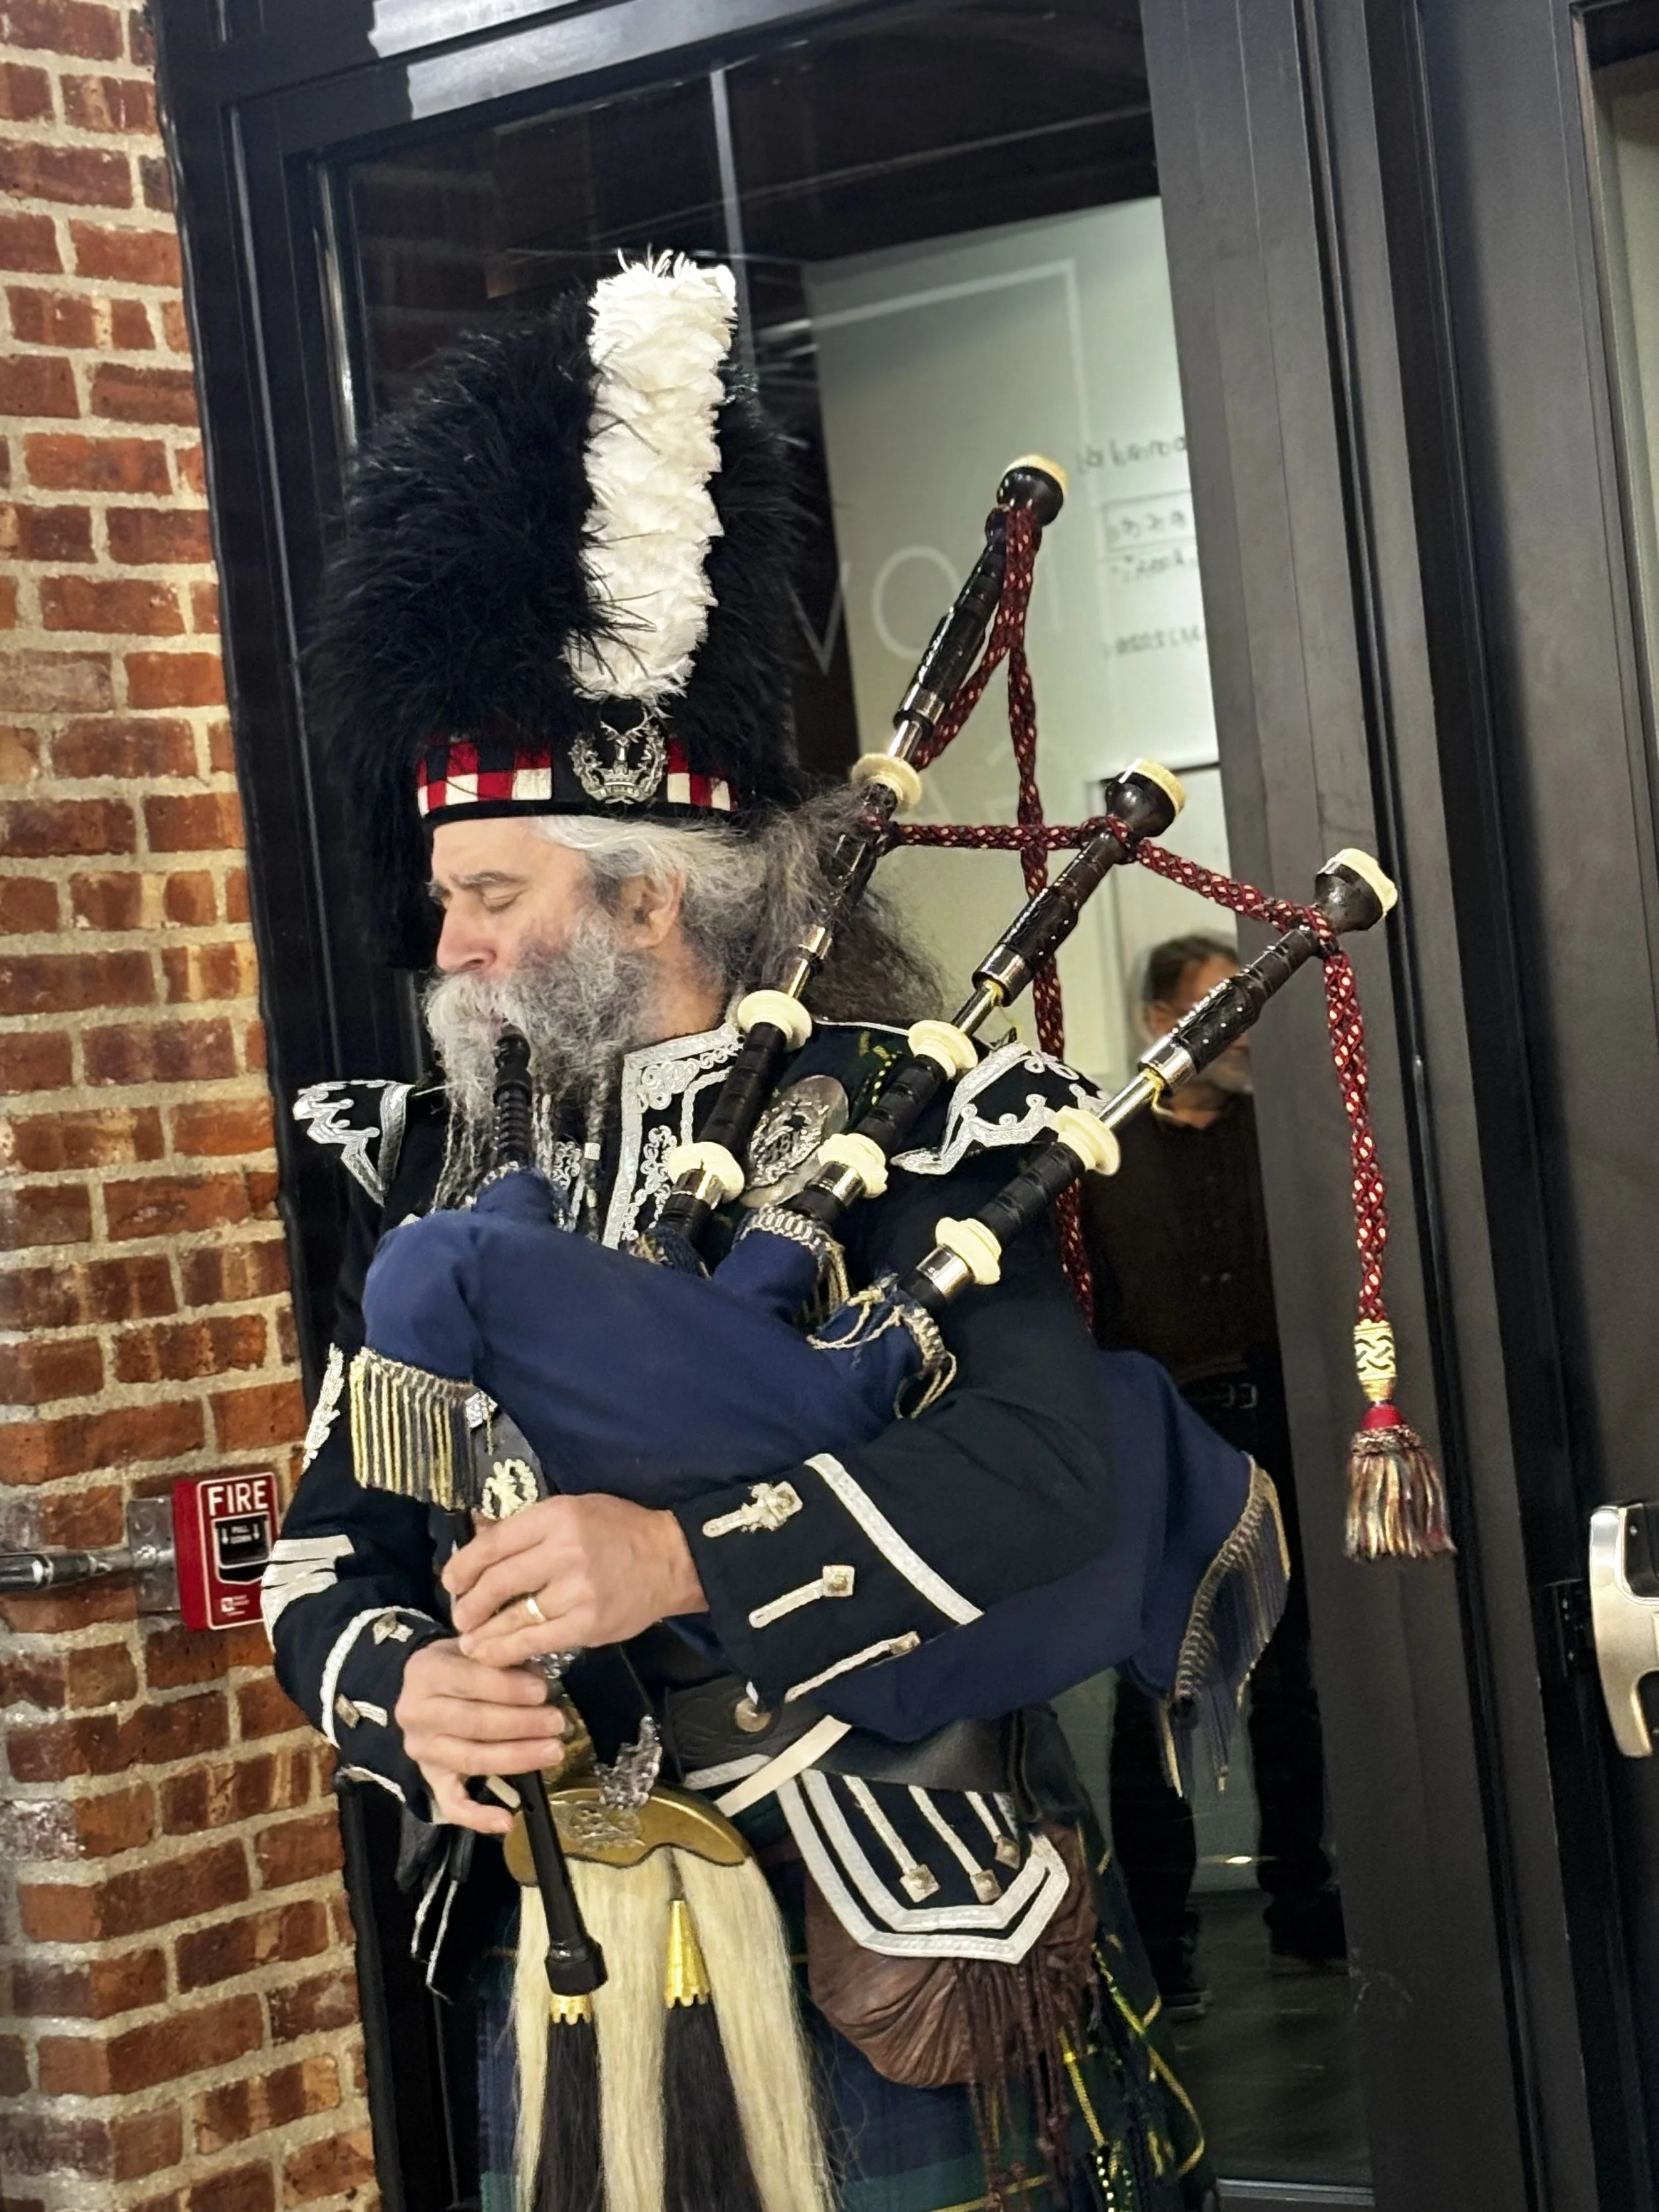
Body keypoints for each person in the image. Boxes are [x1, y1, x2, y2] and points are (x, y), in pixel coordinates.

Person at [262, 258, 1219, 2212]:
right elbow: (332, 1541)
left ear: (647, 897)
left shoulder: (905, 1118)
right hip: (573, 1937)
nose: (447, 947)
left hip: (893, 1926)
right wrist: (397, 1686)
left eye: (492, 892)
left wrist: (675, 1554)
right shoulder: (451, 1175)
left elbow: (1043, 1472)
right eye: (443, 900)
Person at [1080, 934, 1346, 2019]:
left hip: (1280, 1423)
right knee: (1159, 1686)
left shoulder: (1285, 1138)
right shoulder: (1099, 1153)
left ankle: (1306, 1911)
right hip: (1160, 1435)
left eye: (1246, 1006)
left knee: (1288, 1680)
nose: (1241, 1029)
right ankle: (1160, 1944)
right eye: (1214, 1007)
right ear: (1158, 1021)